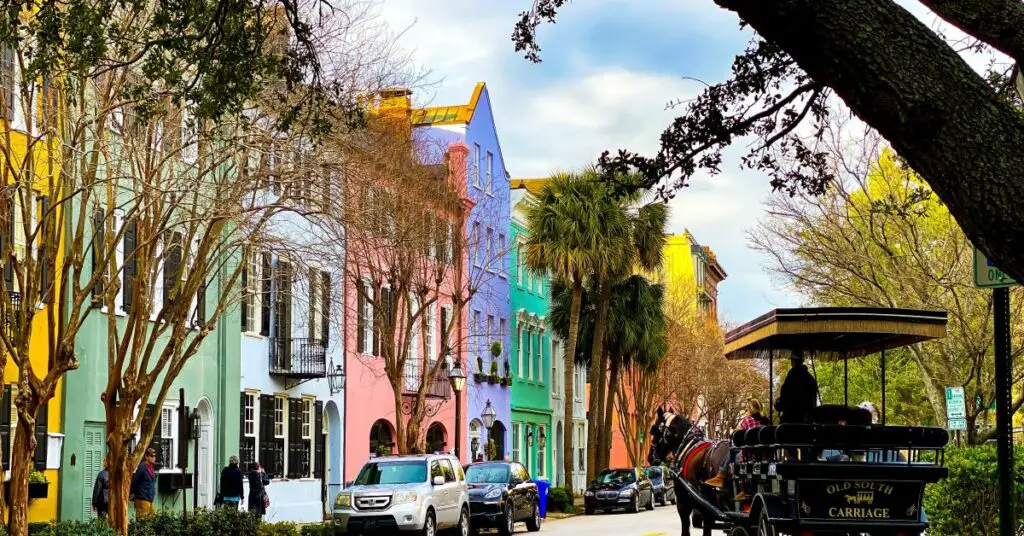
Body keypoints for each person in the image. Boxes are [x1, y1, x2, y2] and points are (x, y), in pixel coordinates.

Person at [706, 398, 770, 494]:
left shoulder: (747, 420)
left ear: (750, 409)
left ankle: (721, 475)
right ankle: (721, 475)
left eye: (747, 409)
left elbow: (738, 437)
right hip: (765, 456)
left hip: (749, 456)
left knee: (732, 449)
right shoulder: (766, 421)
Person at [775, 352, 819, 424]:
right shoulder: (810, 379)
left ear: (793, 362)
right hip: (807, 423)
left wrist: (778, 403)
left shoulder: (791, 378)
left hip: (790, 422)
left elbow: (785, 399)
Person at [130, 448, 157, 518]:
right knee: (143, 521)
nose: (154, 458)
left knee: (152, 520)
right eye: (151, 456)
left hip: (149, 498)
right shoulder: (142, 467)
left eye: (154, 456)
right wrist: (132, 492)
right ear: (146, 457)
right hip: (142, 498)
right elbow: (134, 480)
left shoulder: (151, 467)